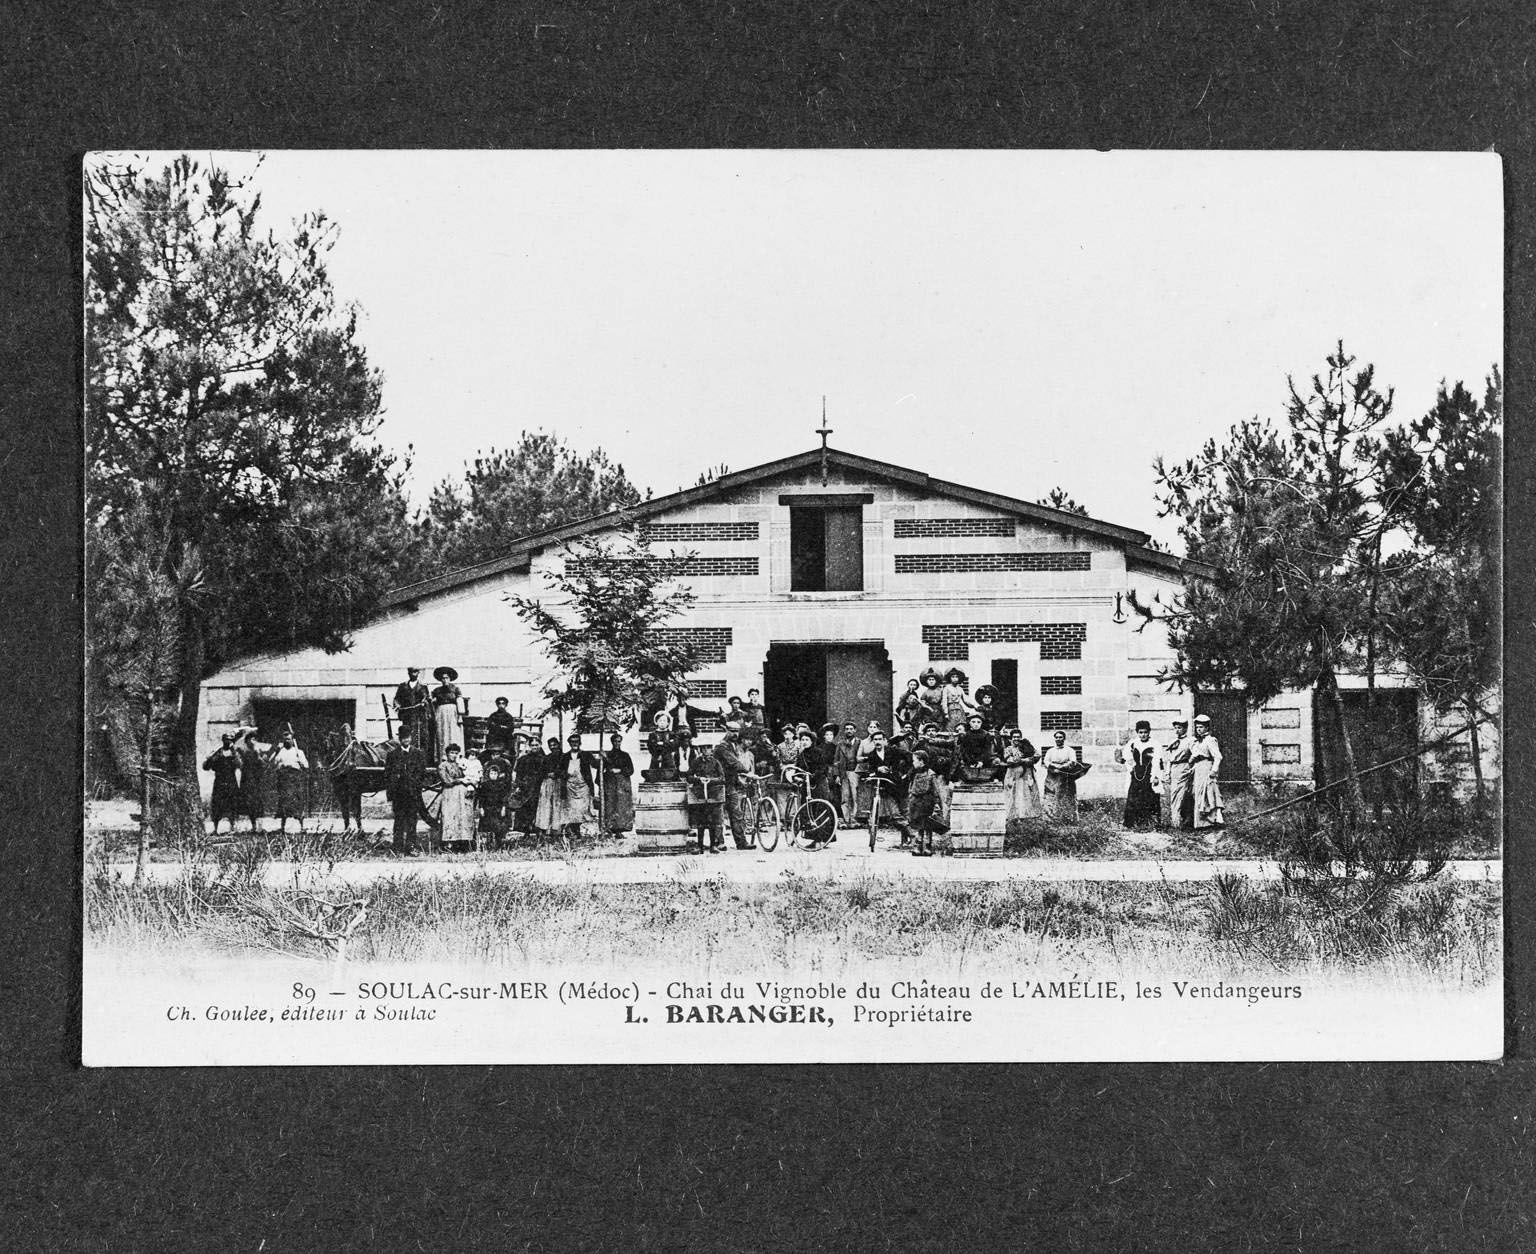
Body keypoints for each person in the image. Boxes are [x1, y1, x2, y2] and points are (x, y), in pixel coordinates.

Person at [384, 730, 428, 855]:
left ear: (411, 738)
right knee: (399, 821)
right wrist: (391, 793)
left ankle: (411, 847)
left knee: (412, 820)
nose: (406, 740)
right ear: (400, 739)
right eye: (403, 738)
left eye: (407, 737)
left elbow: (422, 772)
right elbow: (388, 774)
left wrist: (415, 785)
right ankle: (397, 848)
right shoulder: (392, 754)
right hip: (399, 794)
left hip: (413, 793)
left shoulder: (418, 754)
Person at [713, 727, 757, 850]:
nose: (734, 734)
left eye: (736, 731)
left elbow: (732, 768)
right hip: (719, 785)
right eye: (731, 731)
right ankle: (718, 843)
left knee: (736, 814)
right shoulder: (722, 747)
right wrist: (746, 772)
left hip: (730, 784)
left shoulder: (732, 746)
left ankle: (741, 843)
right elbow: (733, 762)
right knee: (719, 815)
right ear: (725, 731)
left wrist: (739, 781)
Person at [683, 730, 726, 853]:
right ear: (700, 749)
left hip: (713, 794)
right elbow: (689, 776)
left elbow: (722, 778)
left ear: (711, 749)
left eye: (708, 748)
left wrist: (711, 780)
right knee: (701, 822)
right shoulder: (696, 762)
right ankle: (700, 846)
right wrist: (699, 780)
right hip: (700, 794)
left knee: (713, 821)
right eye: (704, 748)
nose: (706, 750)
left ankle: (713, 845)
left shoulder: (716, 762)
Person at [1118, 720, 1163, 830]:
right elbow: (1127, 758)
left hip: (1149, 774)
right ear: (1137, 732)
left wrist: (1156, 776)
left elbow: (1158, 762)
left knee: (1149, 798)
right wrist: (1131, 768)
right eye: (1140, 732)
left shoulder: (1155, 744)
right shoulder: (1133, 743)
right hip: (1136, 774)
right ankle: (1132, 823)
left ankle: (1150, 823)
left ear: (1149, 732)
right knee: (1134, 798)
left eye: (1145, 732)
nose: (1143, 735)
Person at [551, 733, 597, 838]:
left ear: (580, 743)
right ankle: (574, 831)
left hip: (583, 785)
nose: (574, 744)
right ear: (569, 743)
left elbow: (596, 764)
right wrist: (564, 773)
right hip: (570, 785)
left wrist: (603, 758)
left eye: (576, 741)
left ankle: (576, 829)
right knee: (572, 809)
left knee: (582, 809)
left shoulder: (586, 755)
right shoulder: (565, 756)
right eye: (572, 742)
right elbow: (559, 770)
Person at [269, 728, 310, 835]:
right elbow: (273, 764)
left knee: (298, 803)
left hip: (295, 779)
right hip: (284, 780)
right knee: (284, 803)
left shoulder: (299, 752)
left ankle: (302, 827)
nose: (287, 741)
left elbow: (306, 765)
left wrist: (301, 763)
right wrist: (280, 763)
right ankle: (282, 827)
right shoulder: (280, 752)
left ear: (292, 740)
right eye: (285, 740)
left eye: (289, 739)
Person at [1002, 729, 1043, 833]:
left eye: (1018, 736)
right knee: (1013, 794)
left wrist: (1028, 759)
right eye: (1014, 737)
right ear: (1011, 738)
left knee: (1026, 793)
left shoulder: (1027, 746)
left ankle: (1028, 816)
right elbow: (1009, 760)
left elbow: (1037, 755)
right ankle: (1014, 817)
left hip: (1026, 774)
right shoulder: (1008, 749)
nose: (1016, 739)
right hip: (1013, 774)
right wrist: (1020, 760)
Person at [436, 743, 476, 851]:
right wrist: (460, 780)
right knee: (449, 816)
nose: (453, 755)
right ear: (447, 754)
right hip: (449, 793)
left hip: (460, 795)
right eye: (451, 753)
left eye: (456, 753)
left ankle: (461, 842)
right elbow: (446, 780)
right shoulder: (442, 766)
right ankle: (448, 843)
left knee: (461, 817)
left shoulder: (459, 765)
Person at [1189, 714, 1225, 832]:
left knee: (1209, 792)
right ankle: (1200, 823)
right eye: (1197, 727)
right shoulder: (1196, 741)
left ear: (1207, 728)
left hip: (1207, 768)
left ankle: (1214, 819)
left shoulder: (1210, 740)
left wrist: (1214, 771)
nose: (1199, 729)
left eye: (1201, 727)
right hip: (1198, 768)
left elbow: (1218, 757)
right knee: (1198, 794)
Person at [201, 734, 243, 835]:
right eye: (226, 740)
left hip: (231, 781)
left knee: (232, 804)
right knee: (217, 805)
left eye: (230, 740)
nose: (228, 742)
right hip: (219, 782)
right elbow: (206, 767)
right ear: (223, 740)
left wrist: (234, 753)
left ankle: (232, 827)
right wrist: (210, 758)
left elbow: (240, 765)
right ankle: (215, 829)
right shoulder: (218, 753)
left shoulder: (234, 753)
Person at [906, 749, 944, 857]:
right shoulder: (913, 773)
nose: (913, 763)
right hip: (915, 802)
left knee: (927, 824)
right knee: (917, 824)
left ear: (921, 761)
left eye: (915, 761)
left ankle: (927, 846)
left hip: (927, 802)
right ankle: (917, 846)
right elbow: (910, 786)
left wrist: (937, 803)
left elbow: (935, 790)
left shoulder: (931, 774)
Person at [1042, 730, 1083, 822]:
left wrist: (1063, 767)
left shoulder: (1070, 750)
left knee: (1067, 796)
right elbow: (1046, 761)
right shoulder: (1050, 751)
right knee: (1051, 796)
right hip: (1052, 776)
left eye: (1060, 737)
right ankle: (1051, 819)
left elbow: (1073, 761)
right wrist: (1054, 766)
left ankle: (1068, 818)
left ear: (1064, 738)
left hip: (1066, 777)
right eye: (1056, 737)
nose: (1058, 739)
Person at [509, 733, 544, 837]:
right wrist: (519, 785)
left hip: (539, 786)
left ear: (540, 745)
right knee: (526, 809)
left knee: (538, 808)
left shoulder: (544, 759)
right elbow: (518, 773)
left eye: (536, 745)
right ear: (529, 746)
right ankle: (526, 831)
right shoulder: (523, 759)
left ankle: (538, 831)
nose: (534, 747)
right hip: (526, 786)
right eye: (532, 745)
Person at [1164, 719, 1195, 830]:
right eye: (1176, 728)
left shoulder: (1190, 740)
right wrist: (1167, 773)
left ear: (1185, 728)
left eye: (1180, 728)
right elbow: (1169, 759)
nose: (1177, 730)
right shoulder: (1173, 741)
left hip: (1184, 768)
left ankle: (1185, 821)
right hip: (1174, 768)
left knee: (1183, 795)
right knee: (1174, 794)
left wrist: (1190, 765)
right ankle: (1175, 821)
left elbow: (1195, 754)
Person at [601, 733, 635, 835]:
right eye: (615, 741)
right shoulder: (607, 755)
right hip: (610, 784)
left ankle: (620, 830)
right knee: (610, 805)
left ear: (621, 742)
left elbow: (631, 770)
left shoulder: (625, 755)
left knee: (621, 806)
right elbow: (601, 769)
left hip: (622, 784)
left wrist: (619, 770)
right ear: (612, 742)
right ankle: (610, 829)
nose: (617, 743)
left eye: (619, 741)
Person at [392, 667, 431, 749]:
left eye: (415, 672)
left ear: (418, 673)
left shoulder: (423, 687)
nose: (413, 674)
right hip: (407, 716)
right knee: (406, 735)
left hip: (419, 718)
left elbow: (427, 700)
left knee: (420, 738)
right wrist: (397, 705)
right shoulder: (402, 686)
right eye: (411, 672)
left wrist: (424, 703)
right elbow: (396, 699)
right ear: (408, 673)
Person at [956, 712, 1003, 781]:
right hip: (970, 760)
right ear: (969, 723)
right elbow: (965, 751)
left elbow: (987, 750)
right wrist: (971, 762)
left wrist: (981, 761)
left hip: (984, 759)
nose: (976, 724)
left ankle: (993, 778)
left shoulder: (986, 735)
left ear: (981, 723)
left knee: (995, 762)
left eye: (978, 722)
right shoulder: (966, 736)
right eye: (973, 722)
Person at [533, 736, 565, 835]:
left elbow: (566, 770)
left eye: (554, 745)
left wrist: (557, 773)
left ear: (558, 745)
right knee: (546, 806)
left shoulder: (564, 757)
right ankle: (546, 828)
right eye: (550, 745)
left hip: (559, 783)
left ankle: (557, 829)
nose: (553, 747)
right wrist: (547, 774)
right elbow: (541, 771)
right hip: (548, 783)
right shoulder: (546, 758)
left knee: (558, 806)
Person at [430, 667, 463, 761]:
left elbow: (459, 702)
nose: (445, 680)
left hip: (453, 713)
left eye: (447, 678)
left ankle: (455, 757)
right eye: (443, 678)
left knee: (453, 733)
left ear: (450, 678)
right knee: (441, 734)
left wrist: (460, 716)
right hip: (441, 713)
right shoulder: (437, 691)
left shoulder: (456, 689)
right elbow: (432, 702)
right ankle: (442, 758)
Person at [237, 729, 266, 832]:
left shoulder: (259, 752)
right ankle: (253, 826)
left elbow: (263, 765)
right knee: (249, 802)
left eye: (254, 739)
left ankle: (260, 826)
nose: (253, 741)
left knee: (258, 802)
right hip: (247, 779)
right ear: (247, 741)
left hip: (257, 779)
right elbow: (240, 765)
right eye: (251, 739)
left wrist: (258, 755)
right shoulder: (243, 752)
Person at [835, 721, 861, 827]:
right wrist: (836, 775)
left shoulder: (859, 743)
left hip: (855, 772)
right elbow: (836, 761)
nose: (849, 731)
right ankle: (846, 819)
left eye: (851, 729)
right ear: (844, 731)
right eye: (847, 729)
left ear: (854, 730)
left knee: (855, 796)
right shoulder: (840, 744)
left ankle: (853, 819)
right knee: (844, 797)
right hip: (843, 773)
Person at [940, 668, 976, 733]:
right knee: (950, 726)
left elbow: (966, 700)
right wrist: (946, 713)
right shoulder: (946, 688)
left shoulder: (960, 689)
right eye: (953, 677)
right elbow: (944, 701)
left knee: (961, 726)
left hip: (959, 710)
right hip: (950, 710)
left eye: (956, 677)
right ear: (950, 678)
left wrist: (974, 706)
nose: (955, 679)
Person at [645, 711, 680, 777]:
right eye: (660, 720)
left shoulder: (671, 734)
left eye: (664, 721)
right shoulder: (653, 735)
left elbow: (674, 745)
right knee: (653, 776)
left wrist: (662, 744)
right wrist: (658, 749)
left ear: (668, 723)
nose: (662, 722)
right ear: (657, 722)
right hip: (656, 758)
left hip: (668, 759)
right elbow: (651, 746)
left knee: (670, 775)